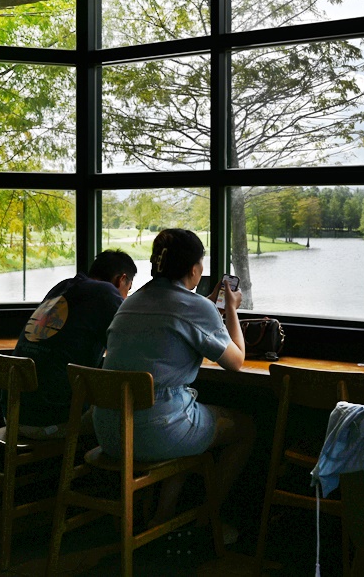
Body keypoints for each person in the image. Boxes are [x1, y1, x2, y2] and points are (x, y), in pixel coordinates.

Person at [93, 228, 255, 538]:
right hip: (155, 433)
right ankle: (207, 522)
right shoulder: (196, 308)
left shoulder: (132, 300)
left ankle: (162, 517)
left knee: (187, 417)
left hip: (110, 434)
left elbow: (178, 314)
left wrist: (210, 305)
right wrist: (230, 308)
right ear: (195, 268)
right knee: (244, 428)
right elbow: (236, 361)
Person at [10, 249, 137, 440]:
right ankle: (100, 469)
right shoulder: (106, 292)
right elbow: (129, 348)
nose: (125, 297)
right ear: (121, 279)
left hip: (14, 413)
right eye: (128, 290)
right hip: (48, 420)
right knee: (131, 414)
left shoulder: (63, 287)